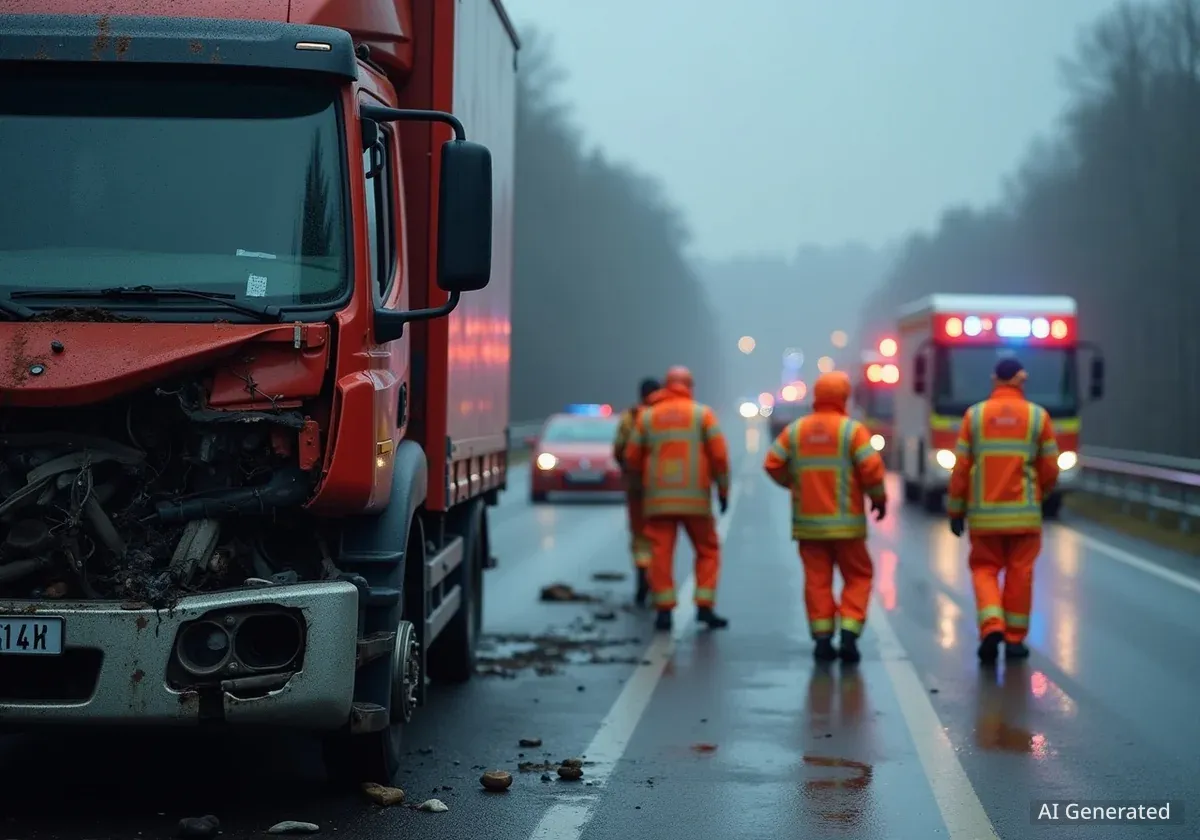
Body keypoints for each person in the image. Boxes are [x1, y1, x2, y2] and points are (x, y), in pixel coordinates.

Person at [763, 371, 887, 663]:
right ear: (844, 397)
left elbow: (772, 464)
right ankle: (849, 632)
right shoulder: (852, 431)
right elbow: (872, 469)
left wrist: (793, 483)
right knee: (858, 576)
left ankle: (821, 638)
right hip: (847, 526)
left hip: (809, 525)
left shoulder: (796, 431)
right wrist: (878, 498)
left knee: (816, 580)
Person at [946, 357, 1059, 664]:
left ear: (995, 380)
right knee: (1020, 574)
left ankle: (992, 625)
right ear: (1022, 381)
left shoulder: (975, 416)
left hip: (984, 517)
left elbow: (961, 469)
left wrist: (956, 510)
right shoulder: (1038, 417)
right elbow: (1050, 468)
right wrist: (1039, 495)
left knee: (984, 570)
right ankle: (1014, 641)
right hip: (1024, 516)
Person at [623, 366, 731, 631]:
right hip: (696, 500)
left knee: (660, 553)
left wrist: (640, 487)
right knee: (708, 550)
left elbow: (631, 458)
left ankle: (663, 611)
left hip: (658, 500)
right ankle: (704, 606)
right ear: (689, 386)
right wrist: (723, 491)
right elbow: (719, 457)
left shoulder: (647, 417)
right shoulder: (702, 415)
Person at [613, 377, 661, 605]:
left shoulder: (631, 417)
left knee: (639, 535)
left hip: (636, 487)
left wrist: (627, 470)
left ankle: (642, 575)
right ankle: (657, 581)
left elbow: (619, 448)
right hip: (663, 488)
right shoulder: (664, 417)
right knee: (660, 536)